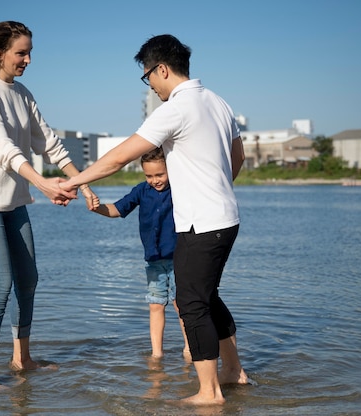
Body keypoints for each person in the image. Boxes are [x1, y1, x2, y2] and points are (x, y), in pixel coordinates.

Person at [61, 34, 249, 405]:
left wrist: (73, 181)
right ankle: (234, 371)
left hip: (201, 223)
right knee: (208, 297)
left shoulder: (175, 109)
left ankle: (209, 393)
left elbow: (117, 158)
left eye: (147, 77)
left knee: (191, 303)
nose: (150, 84)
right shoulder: (218, 102)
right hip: (226, 218)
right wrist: (216, 188)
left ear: (161, 69)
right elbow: (237, 157)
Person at [0, 21, 95, 390]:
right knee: (0, 283)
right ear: (0, 52)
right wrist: (44, 183)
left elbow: (49, 142)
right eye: (21, 53)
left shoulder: (23, 93)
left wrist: (82, 182)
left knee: (28, 281)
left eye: (30, 53)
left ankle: (21, 359)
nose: (28, 60)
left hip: (13, 202)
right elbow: (3, 150)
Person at [93, 147, 190, 362]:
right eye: (149, 175)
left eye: (159, 175)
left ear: (170, 170)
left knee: (181, 305)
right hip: (154, 260)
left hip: (179, 258)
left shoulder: (180, 189)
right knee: (155, 305)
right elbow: (117, 209)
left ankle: (189, 349)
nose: (154, 180)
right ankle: (157, 354)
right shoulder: (141, 191)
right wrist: (97, 207)